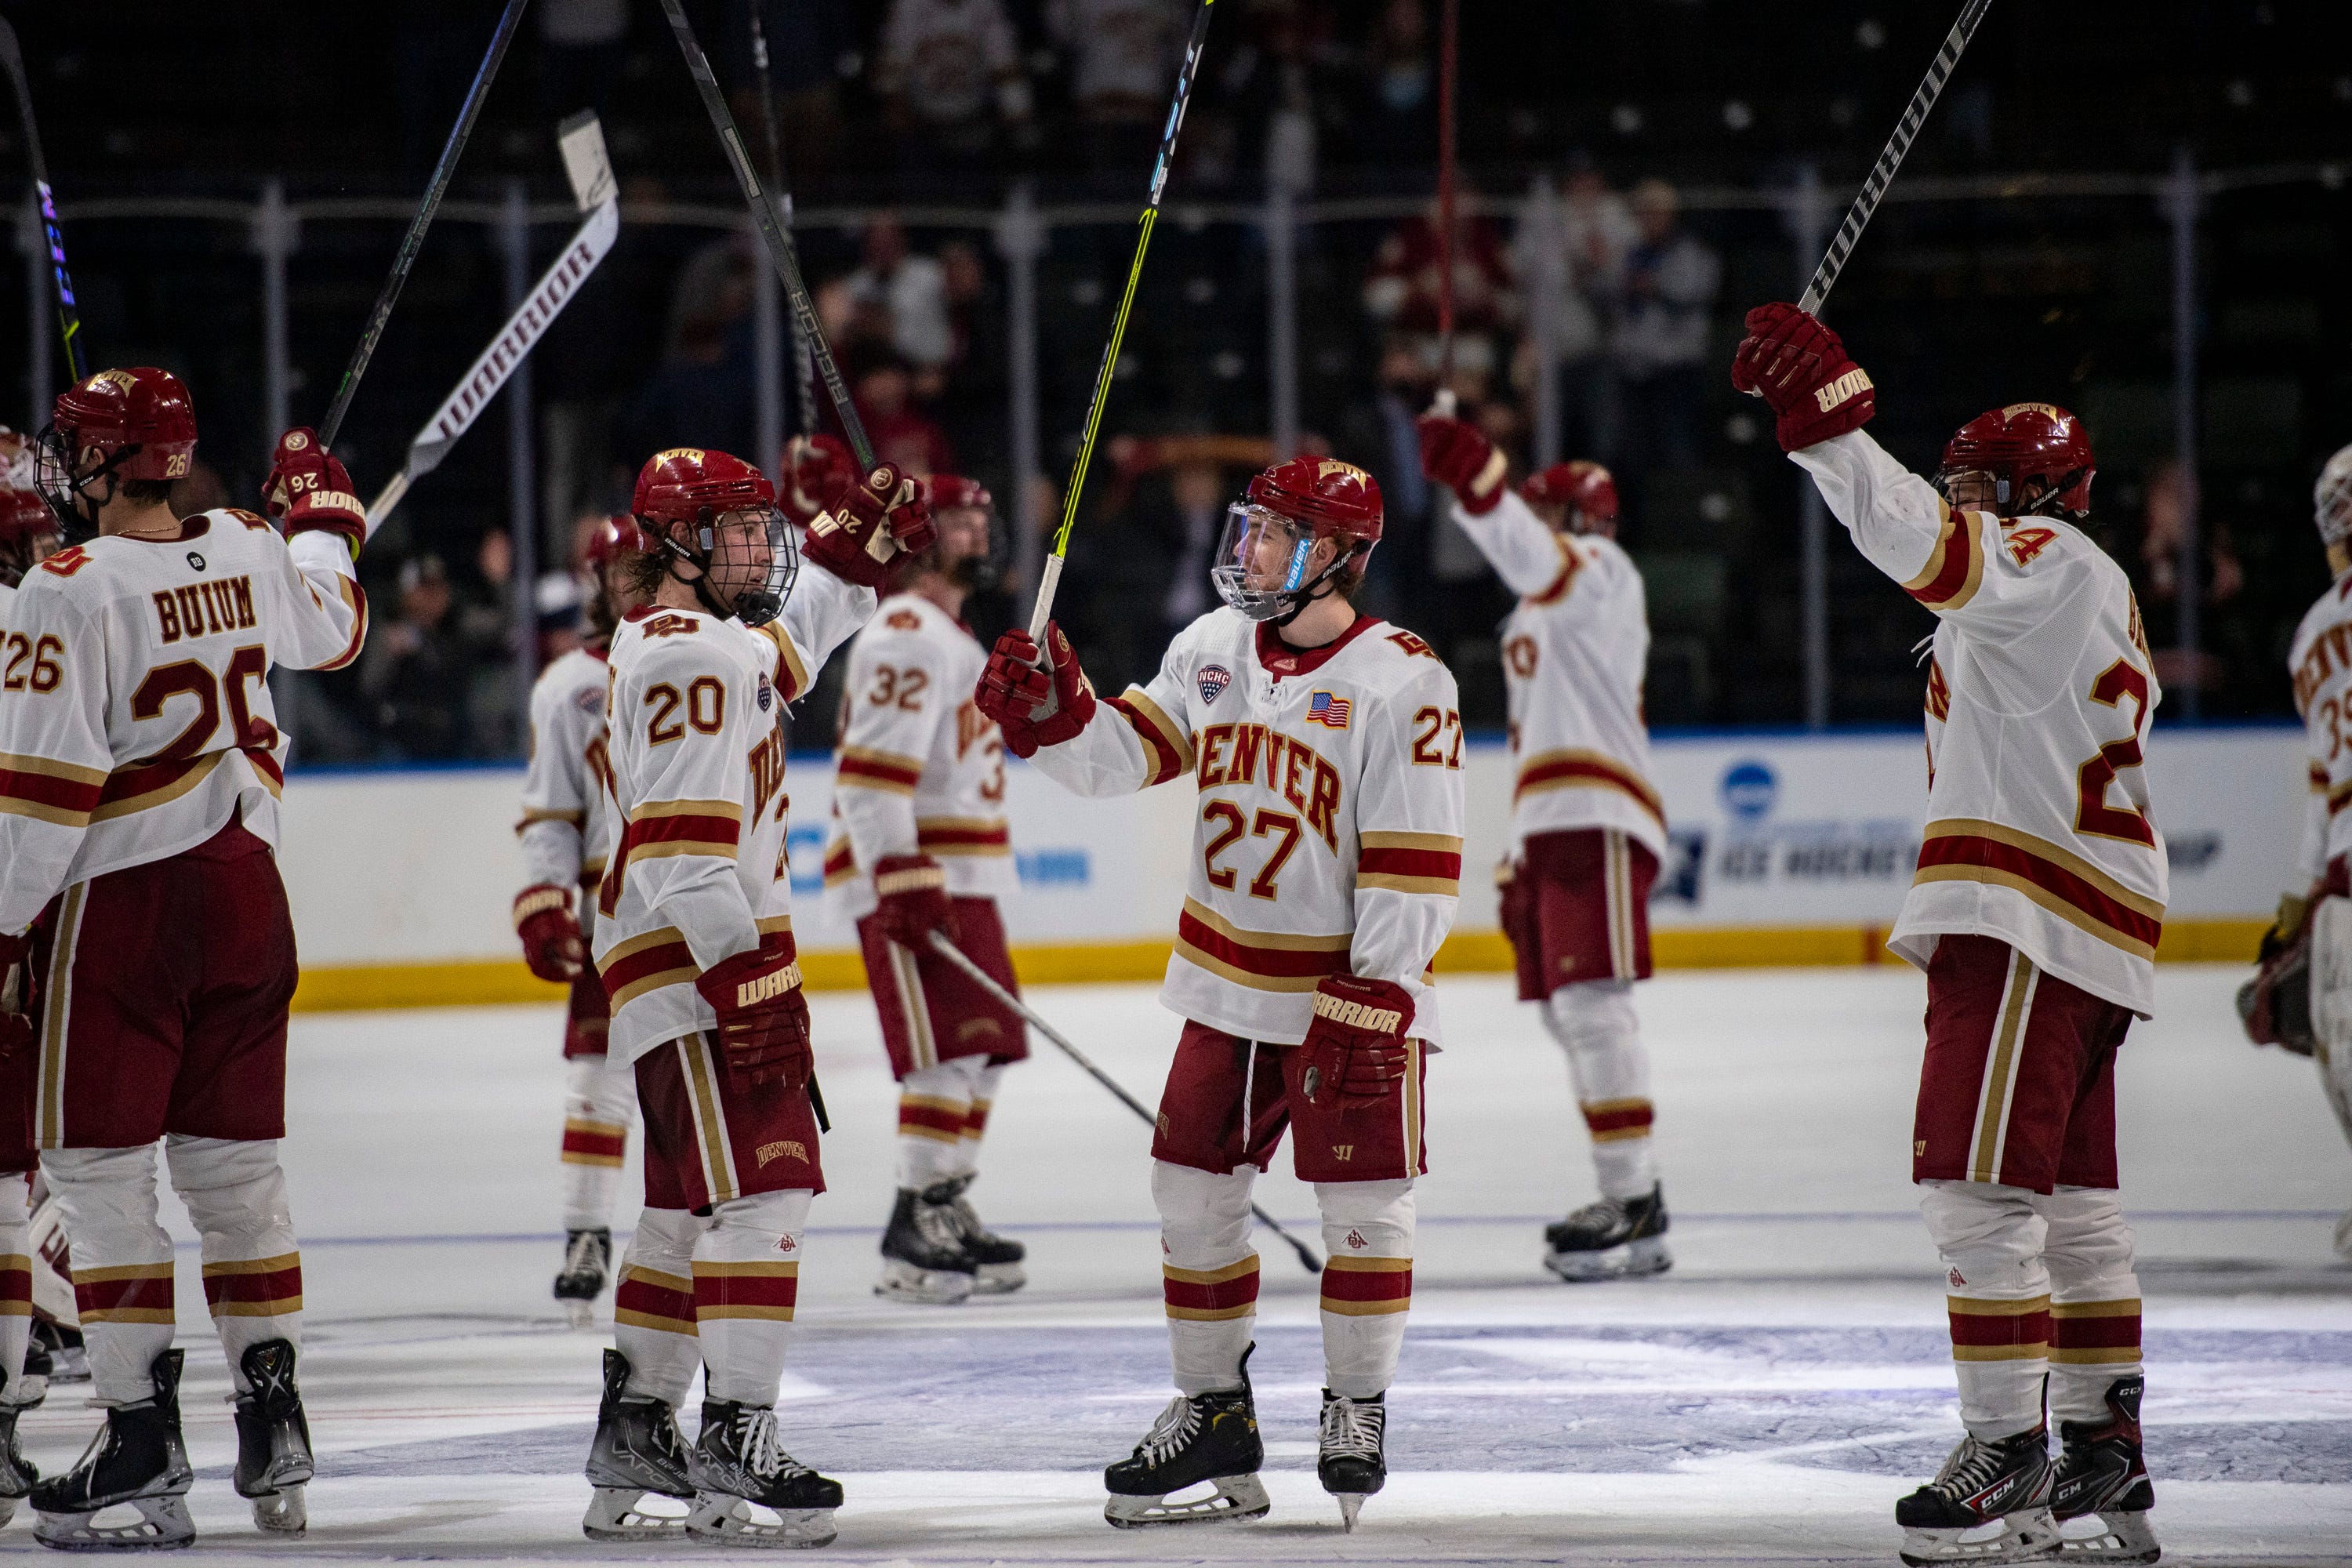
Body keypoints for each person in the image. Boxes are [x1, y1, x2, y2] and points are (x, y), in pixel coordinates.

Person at [1733, 306, 2165, 1567]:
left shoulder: (2047, 561)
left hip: (2025, 915)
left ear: (2035, 493)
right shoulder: (2074, 587)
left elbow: (1917, 537)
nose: (1965, 503)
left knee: (1975, 1200)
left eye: (1984, 486)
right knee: (2077, 1210)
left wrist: (1828, 426)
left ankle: (2008, 1460)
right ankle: (2101, 1450)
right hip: (2084, 924)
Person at [976, 457, 1465, 1532]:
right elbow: (1124, 758)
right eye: (1248, 530)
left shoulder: (1405, 678)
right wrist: (1056, 716)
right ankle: (1214, 1413)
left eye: (1275, 536)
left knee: (1367, 1208)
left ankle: (1356, 1405)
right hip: (1229, 984)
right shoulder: (1208, 649)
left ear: (1337, 556)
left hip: (1344, 996)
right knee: (1189, 1197)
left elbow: (1416, 857)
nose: (1246, 551)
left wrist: (1379, 990)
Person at [0, 370, 370, 1548]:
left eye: (77, 452)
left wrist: (3, 933)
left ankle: (140, 1442)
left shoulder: (65, 590)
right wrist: (323, 514)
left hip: (127, 905)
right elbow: (337, 622)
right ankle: (274, 1417)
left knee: (103, 1179)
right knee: (238, 1174)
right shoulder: (252, 545)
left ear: (107, 464)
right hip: (250, 895)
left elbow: (43, 803)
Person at [579, 448, 931, 1548]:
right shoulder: (689, 656)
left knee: (685, 1207)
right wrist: (751, 985)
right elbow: (683, 856)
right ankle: (736, 1437)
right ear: (679, 547)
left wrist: (849, 555)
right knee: (765, 1198)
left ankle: (638, 1432)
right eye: (735, 531)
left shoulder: (702, 645)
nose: (758, 548)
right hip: (697, 958)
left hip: (676, 959)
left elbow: (786, 652)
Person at [1416, 429, 1671, 1280]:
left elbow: (1530, 553)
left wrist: (1481, 484)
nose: (1528, 523)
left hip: (1593, 807)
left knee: (1594, 1004)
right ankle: (1630, 1193)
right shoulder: (1542, 598)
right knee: (1572, 1010)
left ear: (1574, 515)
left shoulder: (1600, 570)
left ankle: (1634, 1198)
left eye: (1541, 510)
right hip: (1556, 816)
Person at [824, 475, 1028, 1305]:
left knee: (982, 1048)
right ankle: (912, 1232)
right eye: (956, 519)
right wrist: (898, 869)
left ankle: (943, 1200)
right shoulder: (906, 628)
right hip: (917, 871)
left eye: (983, 516)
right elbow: (871, 772)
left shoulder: (951, 635)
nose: (976, 531)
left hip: (964, 872)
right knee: (944, 1052)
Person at [515, 516, 651, 1326]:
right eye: (623, 569)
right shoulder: (570, 683)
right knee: (600, 1077)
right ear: (597, 579)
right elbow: (552, 807)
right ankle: (588, 1232)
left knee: (697, 1081)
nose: (635, 582)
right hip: (616, 911)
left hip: (700, 902)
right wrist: (545, 896)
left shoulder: (711, 653)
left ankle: (700, 1230)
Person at [2263, 441, 2352, 1259]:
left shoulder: (2317, 632)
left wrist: (2302, 888)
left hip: (2346, 867)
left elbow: (2326, 775)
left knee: (2341, 1045)